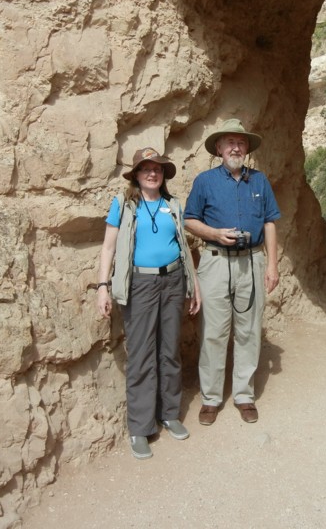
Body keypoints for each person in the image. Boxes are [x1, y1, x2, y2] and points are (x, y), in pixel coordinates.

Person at [96, 147, 201, 460]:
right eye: (146, 169)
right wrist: (103, 287)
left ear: (164, 174)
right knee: (141, 353)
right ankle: (140, 427)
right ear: (136, 175)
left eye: (157, 169)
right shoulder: (123, 205)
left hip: (172, 282)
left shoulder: (173, 205)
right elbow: (107, 249)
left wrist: (194, 286)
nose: (152, 173)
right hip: (140, 285)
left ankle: (169, 413)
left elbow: (184, 248)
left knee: (169, 349)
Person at [184, 118, 281, 425]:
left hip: (252, 262)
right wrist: (214, 234)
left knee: (249, 330)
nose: (236, 147)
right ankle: (211, 398)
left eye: (240, 142)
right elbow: (189, 220)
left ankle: (244, 395)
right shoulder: (204, 181)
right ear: (219, 148)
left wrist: (273, 265)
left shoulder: (260, 181)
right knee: (213, 332)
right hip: (215, 261)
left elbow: (269, 222)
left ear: (246, 148)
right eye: (229, 142)